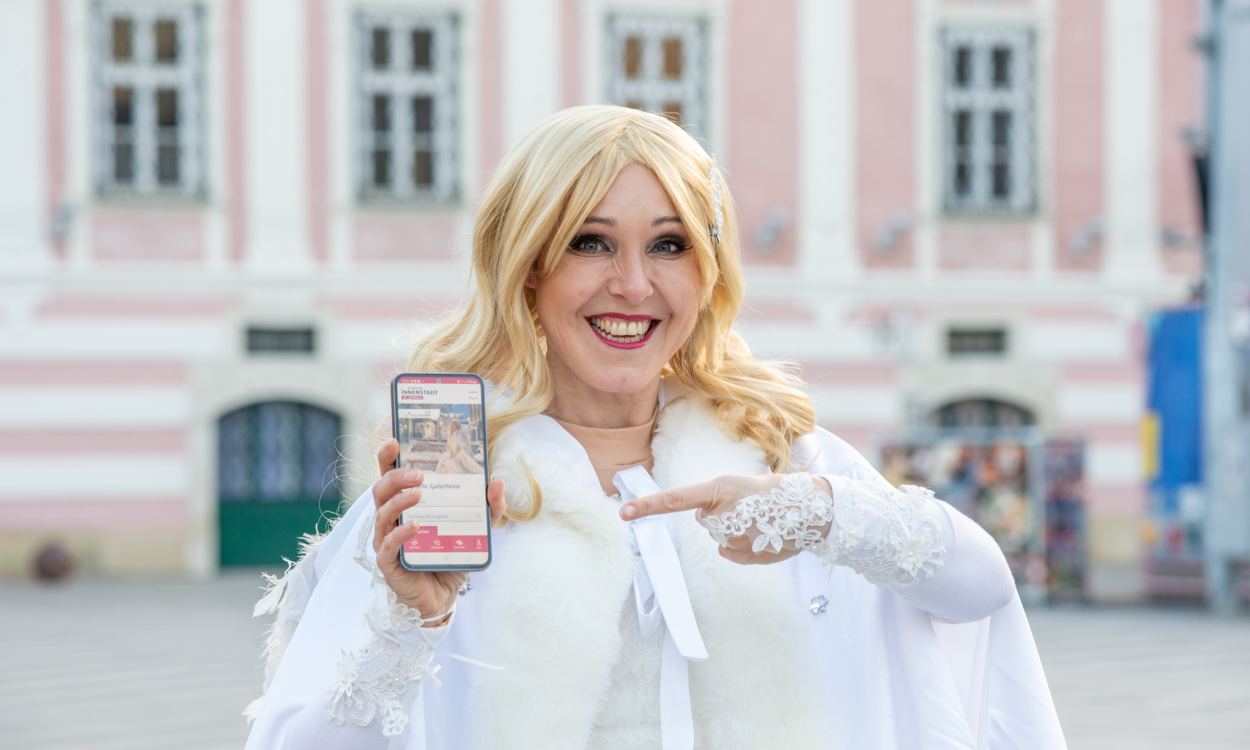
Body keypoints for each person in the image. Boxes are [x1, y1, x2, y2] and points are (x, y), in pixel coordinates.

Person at [244, 105, 1066, 749]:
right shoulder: (453, 490)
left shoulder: (780, 458)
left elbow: (982, 589)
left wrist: (819, 514)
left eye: (668, 245)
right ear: (530, 270)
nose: (633, 284)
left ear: (706, 275)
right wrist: (409, 620)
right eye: (591, 244)